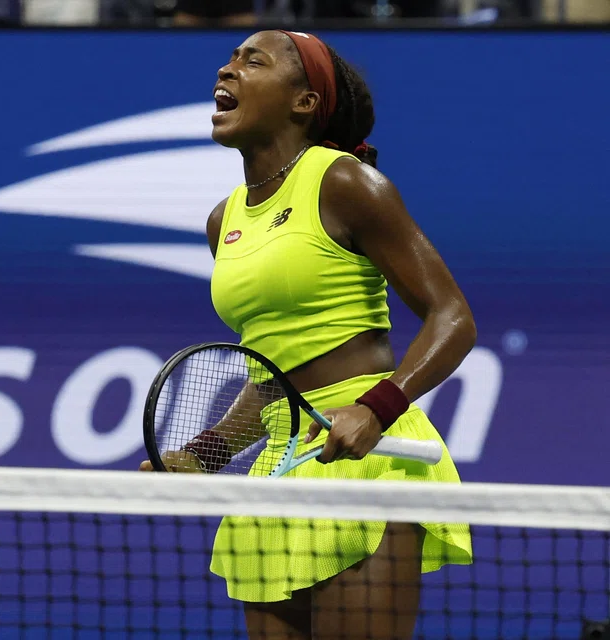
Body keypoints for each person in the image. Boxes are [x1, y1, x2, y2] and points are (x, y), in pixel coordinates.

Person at [139, 30, 474, 639]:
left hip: (367, 457)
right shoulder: (224, 220)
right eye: (230, 58)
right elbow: (272, 377)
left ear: (305, 102)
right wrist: (205, 454)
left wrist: (376, 409)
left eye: (253, 60)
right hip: (276, 466)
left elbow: (452, 317)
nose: (228, 67)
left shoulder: (344, 183)